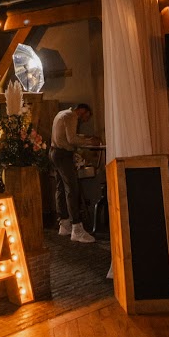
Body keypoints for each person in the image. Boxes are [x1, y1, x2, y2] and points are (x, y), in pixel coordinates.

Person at [49, 103, 95, 243]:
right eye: (86, 116)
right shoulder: (71, 116)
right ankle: (77, 228)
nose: (85, 120)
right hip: (63, 155)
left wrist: (84, 137)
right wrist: (89, 142)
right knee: (72, 189)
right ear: (82, 111)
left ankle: (64, 224)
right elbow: (72, 139)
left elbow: (67, 135)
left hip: (54, 152)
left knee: (60, 188)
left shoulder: (61, 113)